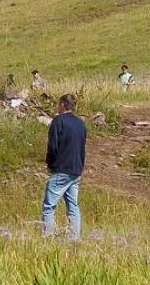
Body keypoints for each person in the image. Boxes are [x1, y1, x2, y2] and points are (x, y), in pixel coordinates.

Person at [41, 93, 86, 241]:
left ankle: (48, 238)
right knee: (73, 205)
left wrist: (50, 163)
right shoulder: (81, 123)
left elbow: (53, 145)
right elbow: (82, 147)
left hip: (61, 168)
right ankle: (74, 238)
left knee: (49, 207)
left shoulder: (58, 121)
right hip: (76, 169)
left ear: (62, 105)